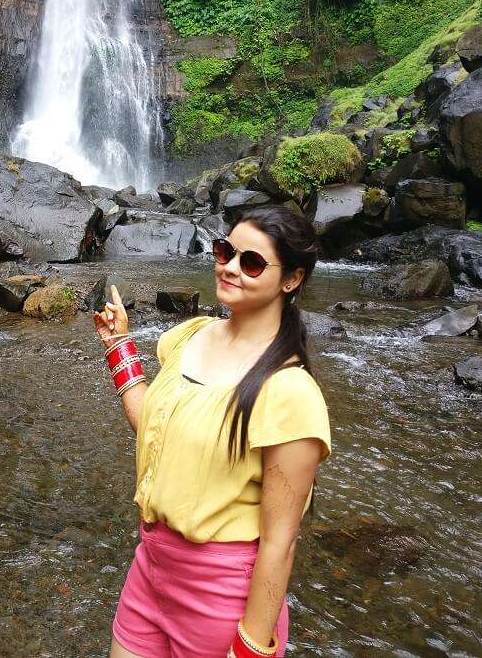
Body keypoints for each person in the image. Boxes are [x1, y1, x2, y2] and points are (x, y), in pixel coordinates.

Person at [93, 205, 332, 658]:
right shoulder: (190, 336)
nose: (230, 267)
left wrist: (250, 648)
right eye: (225, 251)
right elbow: (157, 431)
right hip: (150, 567)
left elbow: (280, 543)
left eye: (252, 262)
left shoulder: (289, 393)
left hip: (221, 598)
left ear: (292, 279)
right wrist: (118, 348)